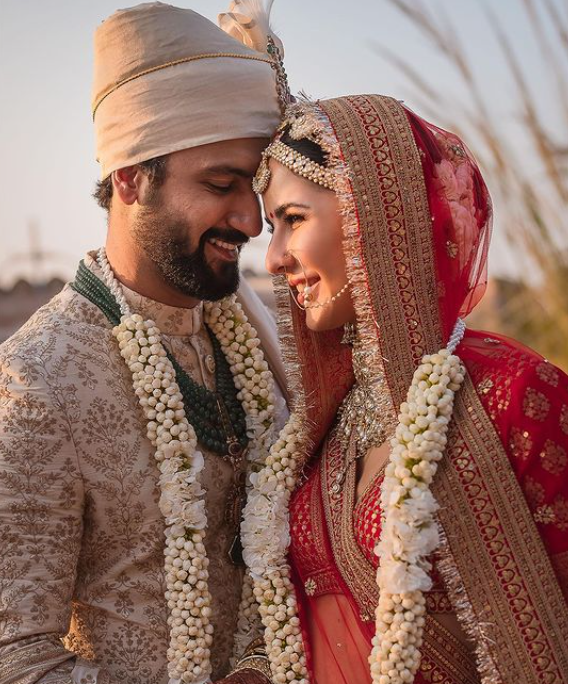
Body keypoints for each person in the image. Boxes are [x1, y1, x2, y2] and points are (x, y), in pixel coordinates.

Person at [0, 3, 289, 683]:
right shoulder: (38, 380)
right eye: (220, 185)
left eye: (256, 187)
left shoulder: (266, 342)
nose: (250, 219)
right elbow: (16, 658)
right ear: (131, 179)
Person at [239, 95, 568, 684]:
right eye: (271, 228)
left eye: (293, 219)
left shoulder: (514, 394)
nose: (274, 257)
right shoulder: (326, 424)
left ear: (375, 217)